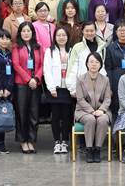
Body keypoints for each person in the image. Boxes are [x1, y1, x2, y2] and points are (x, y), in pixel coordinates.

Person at [73, 52, 112, 163]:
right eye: (91, 62)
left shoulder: (105, 80)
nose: (94, 64)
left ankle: (97, 149)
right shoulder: (80, 79)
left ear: (100, 65)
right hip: (83, 111)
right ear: (87, 64)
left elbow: (107, 99)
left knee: (103, 119)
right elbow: (80, 99)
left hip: (101, 110)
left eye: (97, 62)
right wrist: (91, 111)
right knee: (90, 119)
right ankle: (89, 149)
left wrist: (101, 110)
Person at [11, 21, 44, 153]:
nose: (26, 33)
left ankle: (31, 140)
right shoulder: (16, 47)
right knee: (22, 113)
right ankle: (23, 140)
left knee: (34, 114)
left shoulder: (38, 46)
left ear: (32, 32)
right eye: (23, 31)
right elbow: (16, 64)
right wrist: (28, 79)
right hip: (21, 84)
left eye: (28, 31)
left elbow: (42, 64)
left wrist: (36, 78)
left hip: (36, 84)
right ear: (20, 33)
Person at [43, 25, 76, 154]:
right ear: (54, 37)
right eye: (58, 35)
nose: (61, 37)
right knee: (55, 116)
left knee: (67, 116)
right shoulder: (49, 51)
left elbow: (75, 70)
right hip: (55, 89)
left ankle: (65, 141)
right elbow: (47, 71)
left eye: (64, 35)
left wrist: (72, 87)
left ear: (68, 37)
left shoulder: (72, 50)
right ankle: (57, 141)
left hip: (68, 88)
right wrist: (51, 88)